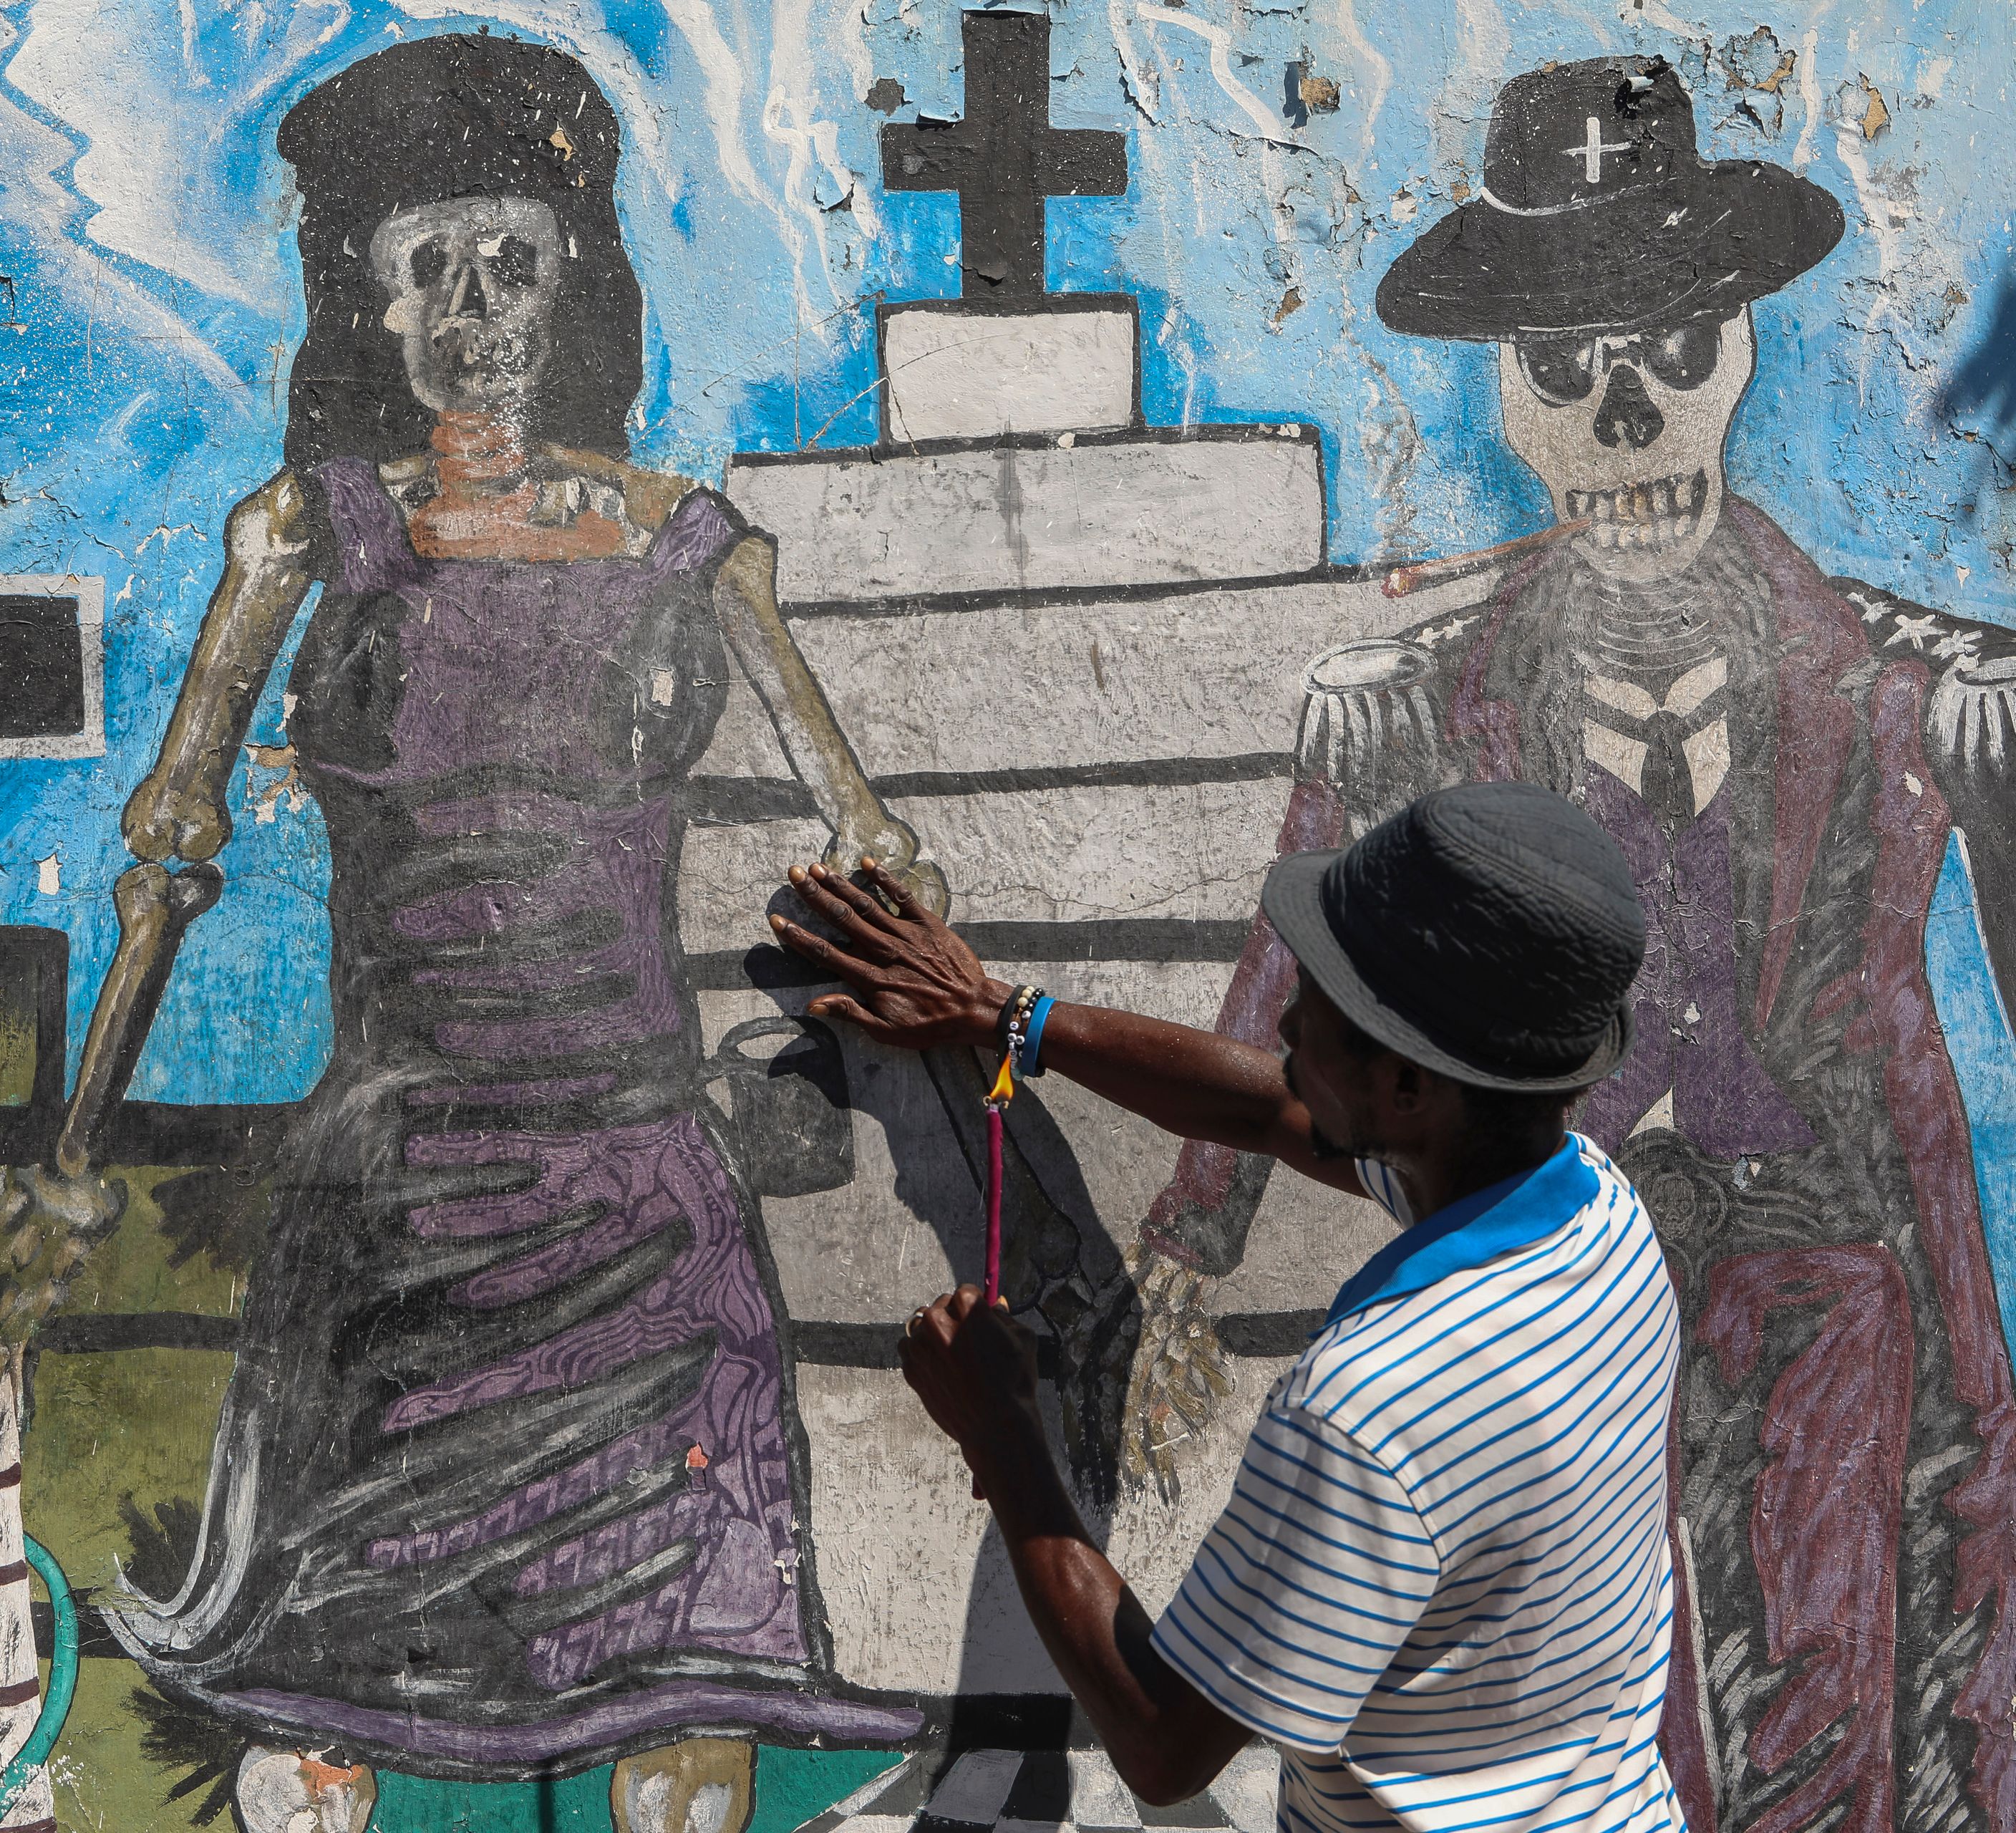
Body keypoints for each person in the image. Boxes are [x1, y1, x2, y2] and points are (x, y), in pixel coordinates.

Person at [1125, 57, 2016, 1827]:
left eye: (1671, 352)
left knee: (1831, 1696)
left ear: (1744, 353)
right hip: (1554, 1263)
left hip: (1829, 1264)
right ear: (1511, 402)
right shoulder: (1415, 700)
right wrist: (1184, 1249)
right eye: (1567, 369)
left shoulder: (1919, 692)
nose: (1626, 415)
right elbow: (1302, 970)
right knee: (1598, 1690)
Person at [100, 32, 933, 1833]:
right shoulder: (300, 541)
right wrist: (82, 1132)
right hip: (398, 1200)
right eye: (432, 269)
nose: (478, 308)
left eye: (517, 262)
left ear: (577, 289)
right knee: (327, 1746)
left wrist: (838, 1019)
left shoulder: (693, 547)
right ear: (371, 309)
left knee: (684, 1724)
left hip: (641, 1190)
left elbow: (867, 835)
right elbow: (173, 832)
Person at [771, 782, 1684, 1829]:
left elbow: (1165, 1745)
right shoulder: (1596, 1216)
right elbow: (1278, 1109)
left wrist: (1004, 1435)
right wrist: (1012, 1019)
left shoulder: (1369, 1409)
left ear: (1408, 1093)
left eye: (1325, 1016)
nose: (1286, 1020)